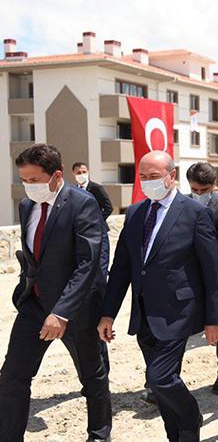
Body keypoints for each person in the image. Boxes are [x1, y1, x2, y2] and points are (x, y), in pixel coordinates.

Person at [98, 150, 218, 442]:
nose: (148, 181)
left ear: (171, 176)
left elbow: (212, 271)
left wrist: (214, 319)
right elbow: (121, 268)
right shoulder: (135, 213)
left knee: (159, 379)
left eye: (154, 176)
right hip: (144, 313)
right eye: (143, 176)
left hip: (178, 312)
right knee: (163, 384)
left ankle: (191, 416)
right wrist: (107, 313)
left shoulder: (194, 213)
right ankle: (180, 435)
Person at [0, 144, 112, 441]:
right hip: (35, 304)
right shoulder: (27, 206)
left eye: (34, 180)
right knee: (12, 375)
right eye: (24, 180)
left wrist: (62, 312)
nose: (28, 186)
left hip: (76, 309)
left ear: (57, 175)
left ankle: (99, 435)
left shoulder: (83, 204)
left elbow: (88, 264)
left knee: (92, 376)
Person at [186, 162, 218, 394]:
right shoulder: (182, 203)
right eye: (194, 190)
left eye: (204, 190)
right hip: (188, 276)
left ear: (213, 186)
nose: (198, 194)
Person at [72, 160, 113, 373]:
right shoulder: (73, 192)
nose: (81, 174)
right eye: (78, 172)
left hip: (99, 234)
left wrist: (96, 220)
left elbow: (109, 206)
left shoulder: (95, 188)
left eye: (84, 171)